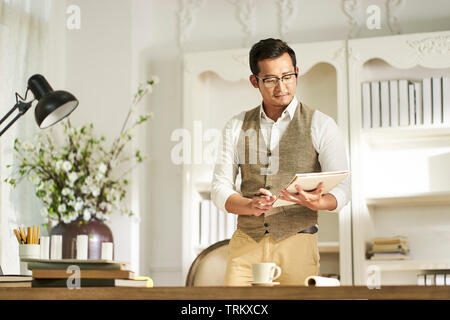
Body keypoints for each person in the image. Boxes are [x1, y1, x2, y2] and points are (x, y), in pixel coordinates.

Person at [211, 38, 350, 286]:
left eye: (287, 77)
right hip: (246, 245)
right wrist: (250, 206)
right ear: (255, 81)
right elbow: (219, 188)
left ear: (297, 73)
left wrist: (320, 202)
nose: (281, 87)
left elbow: (344, 188)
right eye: (270, 79)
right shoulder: (235, 125)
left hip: (298, 243)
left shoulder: (321, 124)